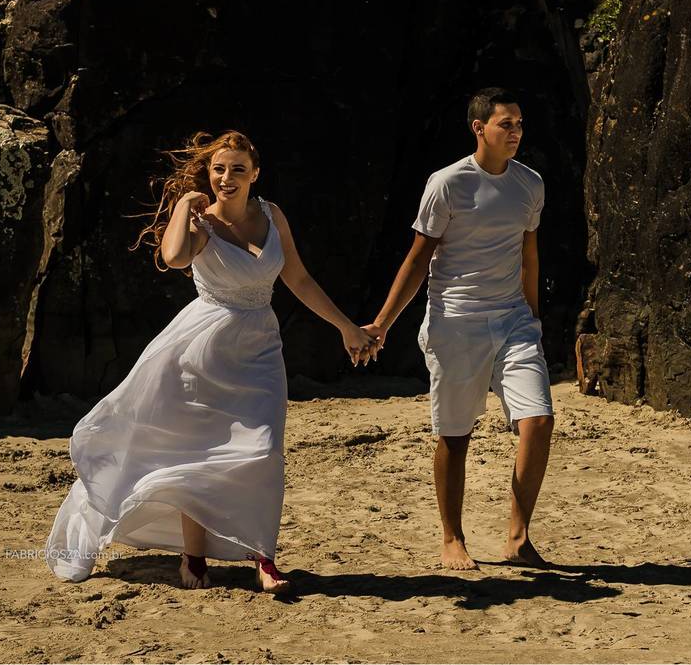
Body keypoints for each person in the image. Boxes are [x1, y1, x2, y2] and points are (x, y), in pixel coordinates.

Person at [45, 131, 374, 593]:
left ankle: (264, 557)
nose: (227, 177)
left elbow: (297, 277)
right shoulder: (201, 224)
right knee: (196, 453)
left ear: (255, 174)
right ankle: (194, 555)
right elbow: (174, 257)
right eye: (219, 169)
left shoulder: (273, 215)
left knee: (262, 452)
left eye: (238, 169)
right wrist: (183, 206)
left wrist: (345, 326)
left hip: (260, 347)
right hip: (202, 350)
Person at [359, 88, 554, 570]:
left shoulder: (530, 184)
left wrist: (532, 317)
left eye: (520, 124)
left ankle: (517, 535)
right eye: (506, 124)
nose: (515, 132)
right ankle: (452, 538)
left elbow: (529, 255)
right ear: (479, 128)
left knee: (540, 419)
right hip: (455, 322)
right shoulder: (447, 183)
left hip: (513, 319)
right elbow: (418, 257)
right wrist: (382, 323)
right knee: (454, 435)